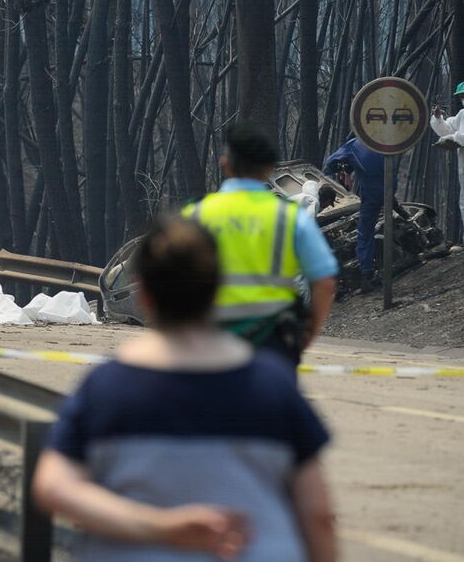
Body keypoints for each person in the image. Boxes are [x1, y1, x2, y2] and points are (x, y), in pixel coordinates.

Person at [32, 217, 337, 562]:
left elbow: (54, 487)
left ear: (142, 294)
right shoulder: (273, 385)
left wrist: (160, 527)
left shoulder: (106, 387)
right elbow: (318, 516)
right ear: (220, 288)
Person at [183, 122, 338, 368]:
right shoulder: (291, 217)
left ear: (225, 164)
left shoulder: (197, 212)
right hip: (269, 343)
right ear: (269, 168)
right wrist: (303, 338)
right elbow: (325, 282)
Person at [323, 137, 408, 292]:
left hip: (371, 194)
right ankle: (407, 222)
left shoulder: (352, 145)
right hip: (389, 188)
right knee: (394, 207)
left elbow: (331, 162)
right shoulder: (384, 141)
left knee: (365, 233)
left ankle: (366, 275)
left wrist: (339, 169)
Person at [430, 81, 464, 237]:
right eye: (461, 96)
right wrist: (438, 118)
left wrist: (453, 138)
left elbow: (459, 136)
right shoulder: (462, 115)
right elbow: (447, 129)